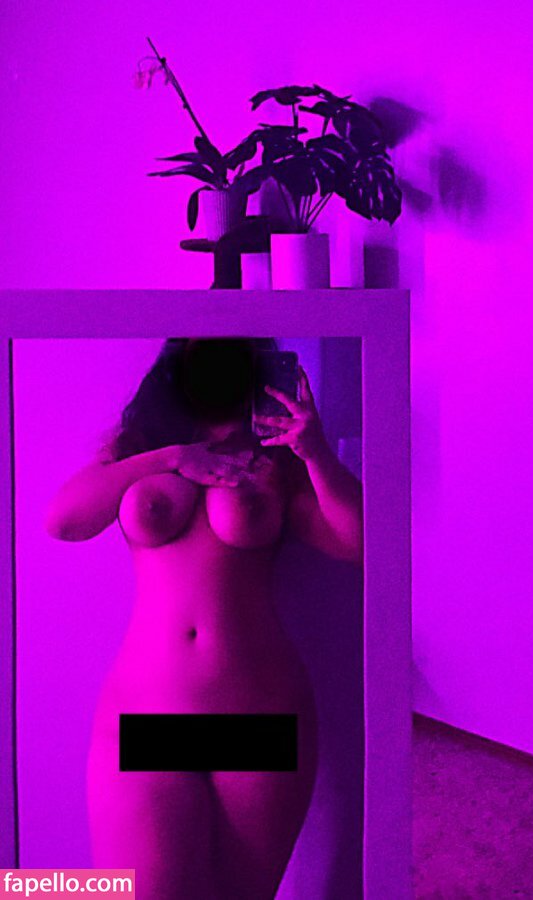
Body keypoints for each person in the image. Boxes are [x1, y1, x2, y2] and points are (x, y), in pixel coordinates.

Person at [44, 337, 363, 900]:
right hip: (146, 717)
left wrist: (314, 452)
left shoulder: (275, 461)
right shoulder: (139, 447)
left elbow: (361, 542)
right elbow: (62, 520)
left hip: (258, 717)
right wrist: (170, 458)